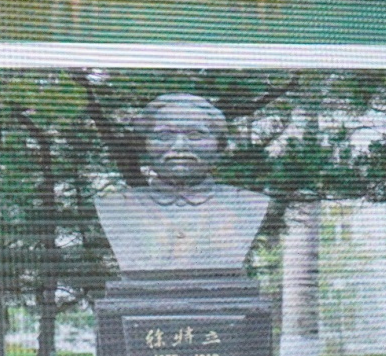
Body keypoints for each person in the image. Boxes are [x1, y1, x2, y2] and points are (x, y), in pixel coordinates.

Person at [94, 93, 269, 273]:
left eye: (195, 135)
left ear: (219, 146)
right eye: (163, 135)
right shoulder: (115, 206)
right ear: (144, 146)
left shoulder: (248, 205)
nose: (180, 146)